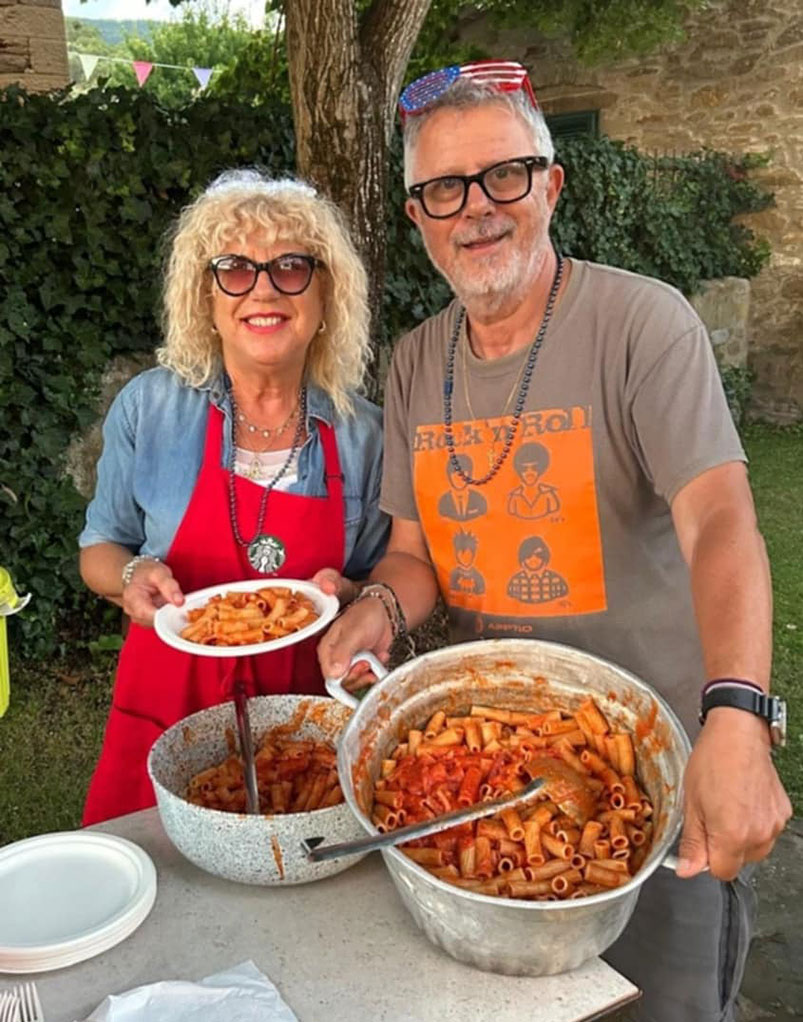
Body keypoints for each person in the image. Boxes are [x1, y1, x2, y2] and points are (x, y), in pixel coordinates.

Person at [318, 62, 791, 1021]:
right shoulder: (414, 361)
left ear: (551, 183)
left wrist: (738, 715)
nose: (476, 210)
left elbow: (720, 524)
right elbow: (414, 557)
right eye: (444, 188)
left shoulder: (640, 323)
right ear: (417, 214)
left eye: (505, 175)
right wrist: (374, 607)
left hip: (647, 773)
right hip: (479, 775)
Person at [79, 169, 388, 825]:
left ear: (326, 292)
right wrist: (132, 575)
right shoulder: (151, 408)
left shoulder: (362, 434)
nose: (264, 289)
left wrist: (355, 596)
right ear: (206, 299)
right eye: (235, 268)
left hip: (299, 725)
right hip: (165, 709)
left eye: (290, 267)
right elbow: (100, 547)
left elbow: (376, 576)